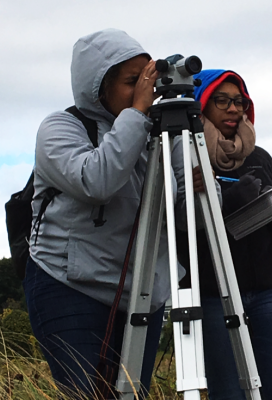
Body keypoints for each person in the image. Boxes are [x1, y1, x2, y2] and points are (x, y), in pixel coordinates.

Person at [23, 28, 186, 399]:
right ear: (99, 86)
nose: (146, 89)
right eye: (133, 82)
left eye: (149, 79)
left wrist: (188, 163)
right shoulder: (60, 128)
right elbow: (97, 181)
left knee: (132, 394)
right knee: (85, 393)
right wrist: (138, 113)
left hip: (141, 293)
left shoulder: (154, 132)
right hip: (70, 287)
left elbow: (182, 213)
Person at [177, 69, 272, 400]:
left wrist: (268, 204)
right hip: (214, 296)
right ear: (201, 105)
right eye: (223, 101)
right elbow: (177, 234)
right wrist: (226, 199)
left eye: (239, 101)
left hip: (269, 294)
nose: (234, 109)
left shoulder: (259, 158)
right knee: (229, 394)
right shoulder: (184, 158)